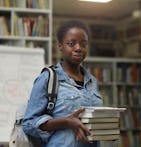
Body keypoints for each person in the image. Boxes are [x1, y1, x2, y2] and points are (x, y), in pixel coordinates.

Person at [21, 19, 103, 147]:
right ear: (60, 46)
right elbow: (28, 123)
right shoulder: (48, 78)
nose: (78, 48)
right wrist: (66, 121)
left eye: (83, 44)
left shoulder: (92, 81)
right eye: (71, 43)